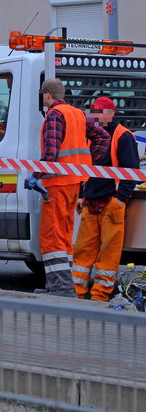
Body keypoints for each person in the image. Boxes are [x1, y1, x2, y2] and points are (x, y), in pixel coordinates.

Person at [31, 79, 109, 296]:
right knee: (64, 235)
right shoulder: (78, 114)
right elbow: (103, 136)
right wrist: (88, 162)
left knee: (51, 237)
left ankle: (60, 288)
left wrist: (35, 176)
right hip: (74, 183)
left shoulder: (55, 115)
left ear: (47, 95)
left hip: (56, 183)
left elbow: (50, 153)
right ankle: (64, 287)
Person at [72, 96, 139, 301]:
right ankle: (78, 293)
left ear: (111, 113)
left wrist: (119, 200)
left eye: (100, 112)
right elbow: (86, 170)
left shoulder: (123, 136)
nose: (95, 116)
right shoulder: (91, 137)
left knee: (108, 255)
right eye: (94, 113)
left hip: (111, 202)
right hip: (92, 202)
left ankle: (100, 296)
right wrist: (82, 196)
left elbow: (132, 172)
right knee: (83, 252)